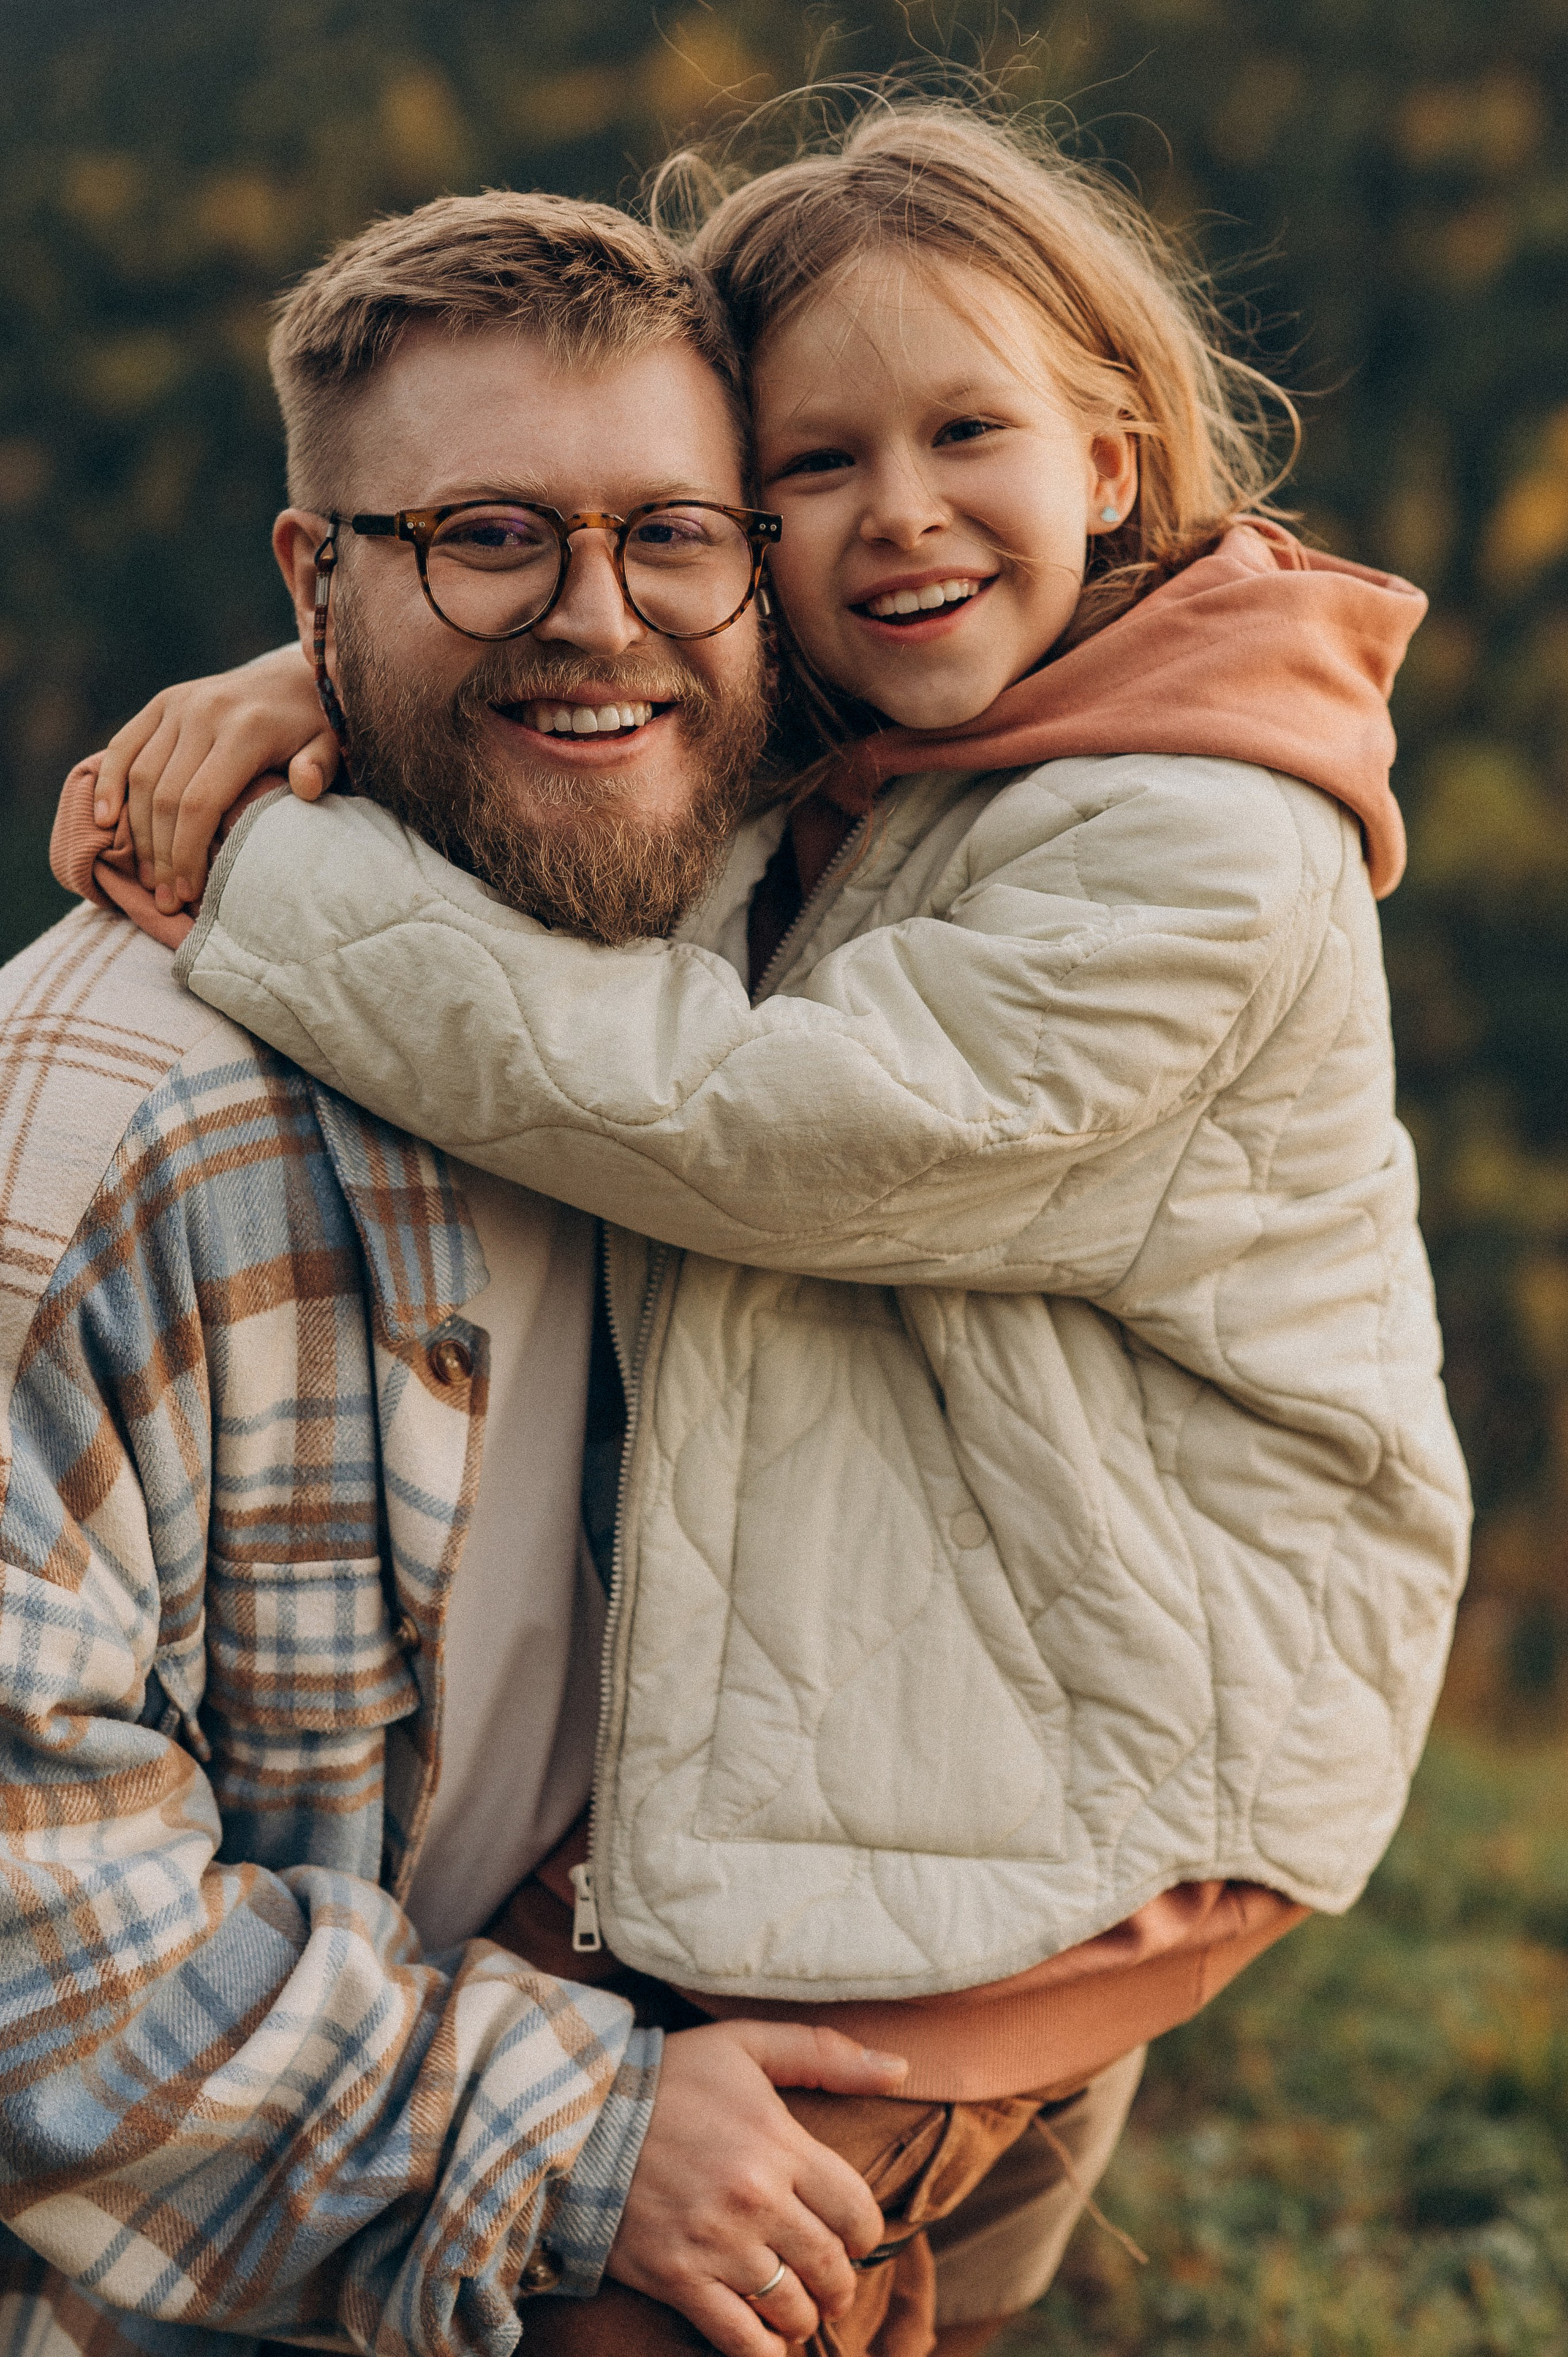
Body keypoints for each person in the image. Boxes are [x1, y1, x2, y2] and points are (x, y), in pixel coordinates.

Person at [51, 101, 1472, 2356]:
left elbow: (739, 1123)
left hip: (1119, 1727)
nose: (894, 512)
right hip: (938, 1667)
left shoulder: (1202, 843)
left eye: (966, 431)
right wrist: (317, 693)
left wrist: (274, 863)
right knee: (637, 2179)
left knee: (695, 2272)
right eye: (813, 468)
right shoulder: (917, 723)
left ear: (1109, 460)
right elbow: (575, 689)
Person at [0, 196, 930, 2357]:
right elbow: (31, 1943)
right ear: (316, 577)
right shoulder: (98, 1139)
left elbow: (1127, 594)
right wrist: (588, 2130)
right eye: (491, 535)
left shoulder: (787, 976)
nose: (599, 618)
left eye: (671, 534)